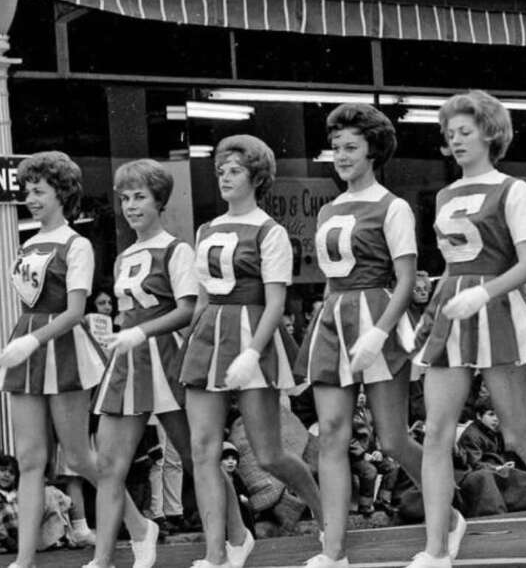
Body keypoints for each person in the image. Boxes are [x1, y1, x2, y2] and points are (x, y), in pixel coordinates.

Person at [406, 91, 526, 568]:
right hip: (451, 309)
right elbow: (451, 258)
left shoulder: (512, 189)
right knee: (437, 432)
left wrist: (483, 293)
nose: (455, 140)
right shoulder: (443, 194)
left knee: (519, 431)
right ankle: (437, 546)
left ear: (490, 133)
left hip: (496, 309)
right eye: (450, 133)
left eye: (465, 131)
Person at [91, 159, 251, 568]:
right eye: (125, 198)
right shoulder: (124, 254)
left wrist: (140, 333)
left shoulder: (178, 249)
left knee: (199, 456)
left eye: (140, 197)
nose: (131, 206)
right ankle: (106, 557)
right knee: (109, 463)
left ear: (159, 200)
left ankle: (237, 535)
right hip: (128, 363)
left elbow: (188, 309)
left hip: (169, 358)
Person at [0, 151, 156, 568]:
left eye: (39, 191)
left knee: (80, 456)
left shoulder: (77, 244)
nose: (30, 198)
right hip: (28, 346)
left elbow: (73, 312)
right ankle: (24, 559)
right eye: (27, 191)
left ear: (62, 194)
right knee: (30, 460)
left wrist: (30, 343)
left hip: (60, 346)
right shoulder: (28, 241)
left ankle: (140, 526)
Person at [179, 135, 322, 568]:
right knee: (202, 451)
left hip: (251, 337)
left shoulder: (270, 231)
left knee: (269, 455)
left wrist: (252, 352)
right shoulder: (204, 230)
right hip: (209, 337)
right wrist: (191, 345)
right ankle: (217, 551)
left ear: (256, 177)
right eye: (220, 170)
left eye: (234, 170)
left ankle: (325, 512)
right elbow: (202, 298)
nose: (224, 176)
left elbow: (276, 302)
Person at [293, 103, 425, 568]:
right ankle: (334, 549)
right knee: (331, 434)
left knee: (391, 440)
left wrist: (381, 333)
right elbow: (331, 278)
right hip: (334, 320)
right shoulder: (329, 207)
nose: (341, 155)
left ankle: (445, 514)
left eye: (351, 147)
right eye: (336, 147)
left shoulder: (394, 207)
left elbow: (406, 280)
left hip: (378, 318)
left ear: (374, 151)